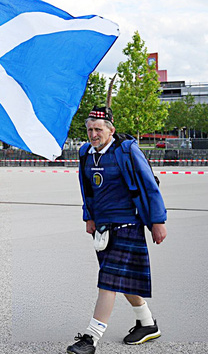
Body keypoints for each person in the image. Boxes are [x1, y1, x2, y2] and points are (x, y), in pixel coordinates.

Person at [67, 106, 167, 354]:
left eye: (98, 129)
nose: (93, 134)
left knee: (108, 281)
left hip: (127, 224)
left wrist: (158, 221)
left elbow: (149, 185)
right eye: (89, 129)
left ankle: (91, 338)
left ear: (111, 130)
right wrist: (88, 217)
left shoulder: (127, 150)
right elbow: (87, 189)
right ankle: (147, 323)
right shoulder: (85, 154)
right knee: (120, 280)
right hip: (102, 227)